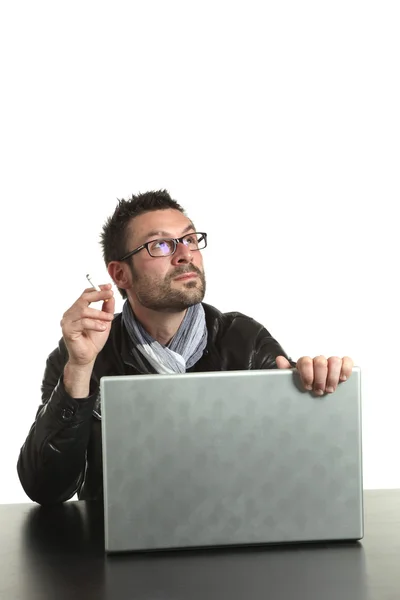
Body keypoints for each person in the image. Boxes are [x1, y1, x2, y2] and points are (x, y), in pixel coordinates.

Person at [17, 190, 354, 505]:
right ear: (120, 274)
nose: (184, 255)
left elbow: (291, 467)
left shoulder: (244, 341)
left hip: (231, 533)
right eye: (159, 246)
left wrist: (316, 392)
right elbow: (46, 489)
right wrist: (79, 371)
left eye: (190, 240)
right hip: (110, 548)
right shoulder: (80, 355)